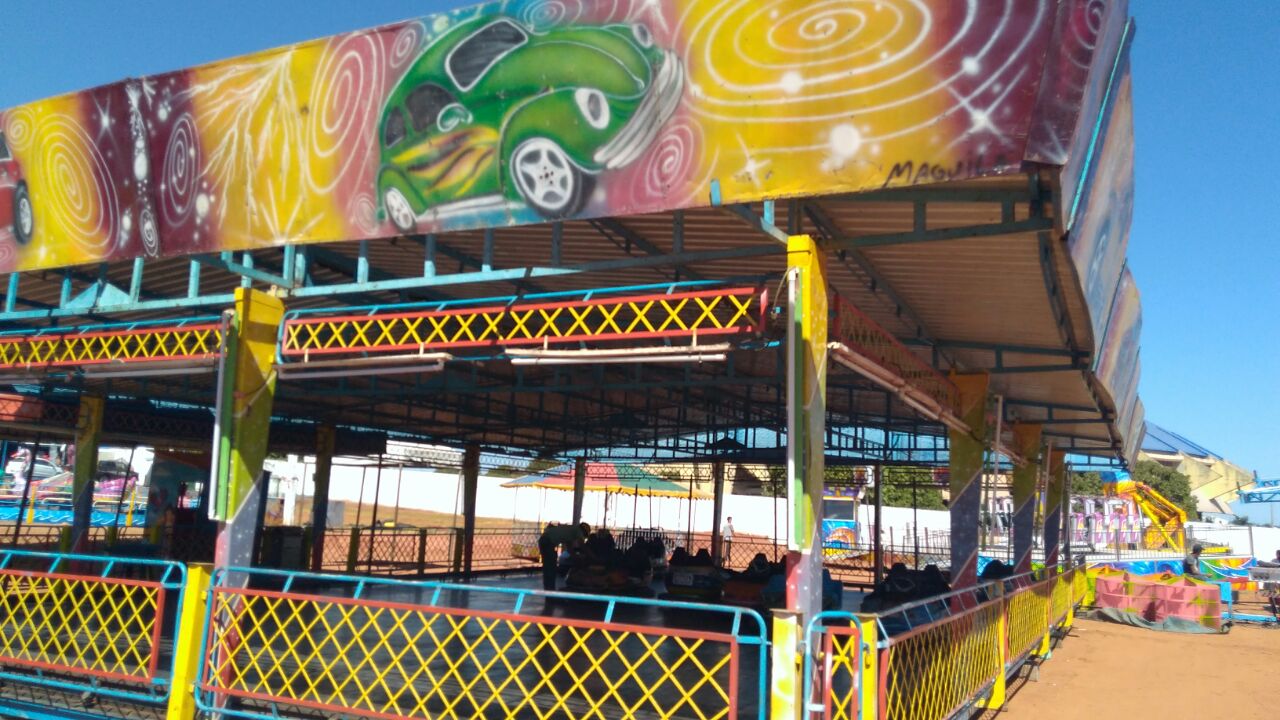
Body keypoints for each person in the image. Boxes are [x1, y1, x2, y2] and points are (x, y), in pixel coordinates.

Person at [539, 521, 589, 591]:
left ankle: (548, 589)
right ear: (584, 531)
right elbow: (582, 545)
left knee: (548, 567)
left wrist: (574, 556)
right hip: (548, 542)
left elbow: (569, 548)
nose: (582, 536)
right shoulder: (578, 530)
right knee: (551, 567)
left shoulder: (571, 530)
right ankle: (550, 590)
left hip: (543, 540)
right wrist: (591, 555)